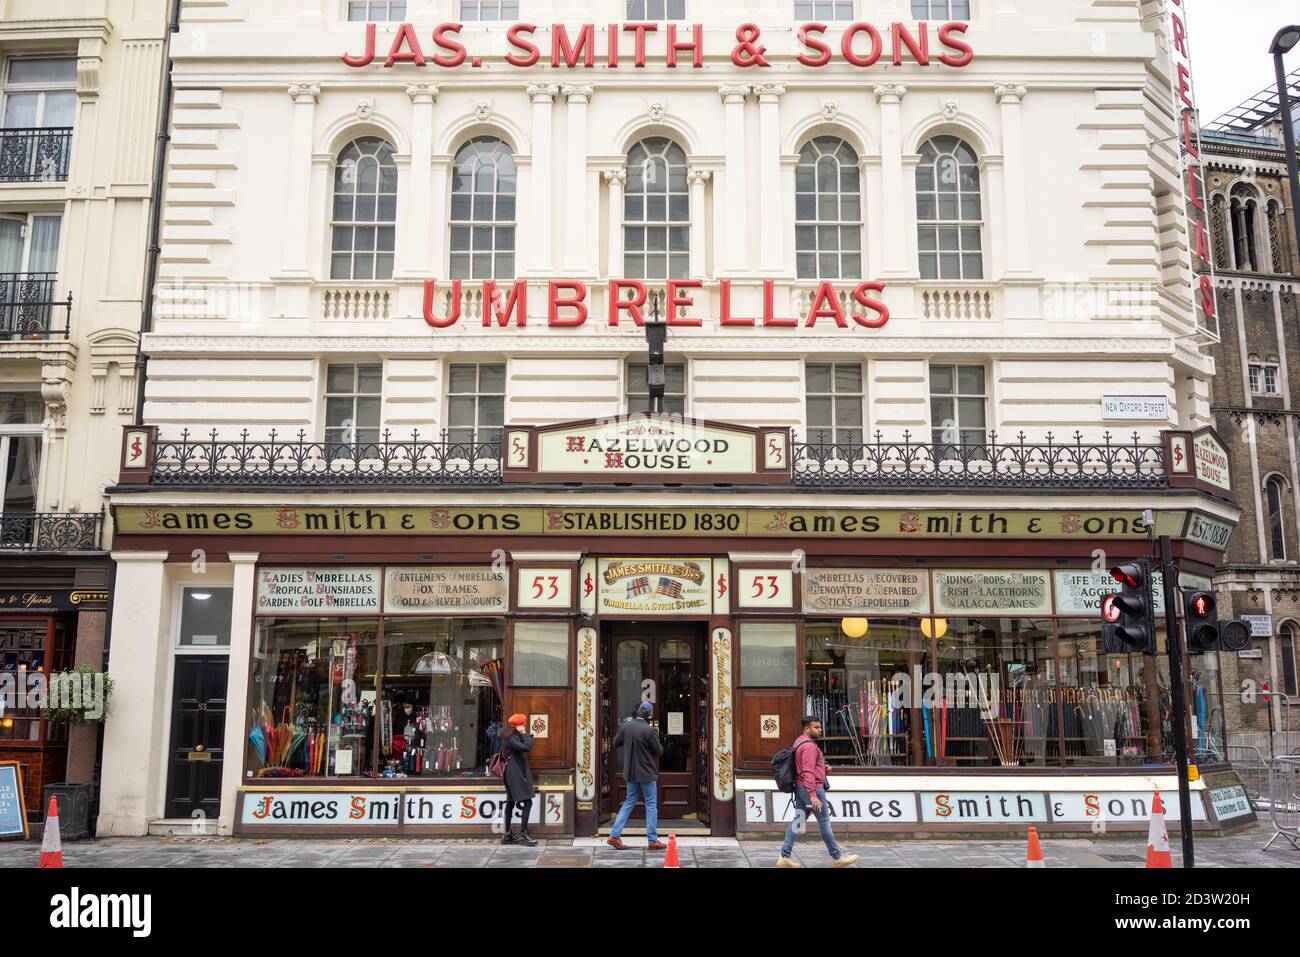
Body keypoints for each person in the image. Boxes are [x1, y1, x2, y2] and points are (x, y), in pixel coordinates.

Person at [776, 716, 859, 868]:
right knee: (824, 822)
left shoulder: (799, 741)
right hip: (812, 789)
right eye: (816, 727)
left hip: (801, 788)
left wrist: (822, 767)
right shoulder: (809, 747)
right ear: (807, 729)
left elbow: (806, 767)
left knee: (798, 821)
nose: (820, 730)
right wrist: (813, 796)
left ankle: (784, 856)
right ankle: (837, 857)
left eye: (820, 727)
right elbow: (807, 772)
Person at [607, 700, 666, 850]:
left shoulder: (626, 727)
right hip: (646, 773)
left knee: (628, 802)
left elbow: (615, 743)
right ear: (650, 715)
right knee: (651, 805)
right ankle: (652, 840)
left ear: (639, 711)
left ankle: (614, 836)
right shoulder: (649, 730)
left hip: (630, 772)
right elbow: (659, 751)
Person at [499, 713, 537, 846]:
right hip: (514, 774)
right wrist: (525, 733)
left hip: (512, 773)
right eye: (523, 724)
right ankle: (523, 835)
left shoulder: (511, 736)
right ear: (519, 725)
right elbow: (527, 747)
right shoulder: (511, 739)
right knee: (528, 802)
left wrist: (522, 734)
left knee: (510, 802)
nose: (525, 726)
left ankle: (507, 834)